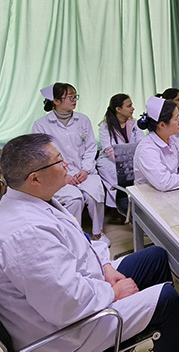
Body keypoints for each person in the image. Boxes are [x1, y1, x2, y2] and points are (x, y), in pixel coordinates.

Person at [0, 133, 179, 352]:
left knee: (155, 257)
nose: (66, 164)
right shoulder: (25, 235)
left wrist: (106, 267)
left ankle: (172, 336)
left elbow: (80, 242)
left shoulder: (35, 201)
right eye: (59, 161)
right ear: (35, 178)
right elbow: (67, 304)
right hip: (69, 331)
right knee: (166, 299)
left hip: (82, 285)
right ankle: (170, 335)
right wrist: (113, 292)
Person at [32, 83, 108, 245]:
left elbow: (90, 148)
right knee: (75, 199)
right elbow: (43, 156)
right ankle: (74, 236)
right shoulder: (41, 125)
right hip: (58, 174)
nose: (75, 100)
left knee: (94, 194)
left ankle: (98, 233)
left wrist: (86, 170)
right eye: (70, 97)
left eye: (75, 96)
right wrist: (63, 175)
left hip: (84, 171)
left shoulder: (83, 120)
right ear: (56, 101)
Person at [134, 97, 179, 192]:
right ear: (162, 125)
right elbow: (164, 182)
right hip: (148, 196)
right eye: (176, 119)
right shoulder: (146, 150)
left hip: (172, 191)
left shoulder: (171, 139)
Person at [96, 94, 144, 211]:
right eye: (129, 106)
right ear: (118, 109)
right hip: (110, 160)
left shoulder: (135, 123)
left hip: (133, 158)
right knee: (117, 173)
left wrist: (133, 160)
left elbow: (141, 144)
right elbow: (109, 150)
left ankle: (140, 203)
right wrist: (125, 162)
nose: (133, 108)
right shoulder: (105, 127)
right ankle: (123, 205)